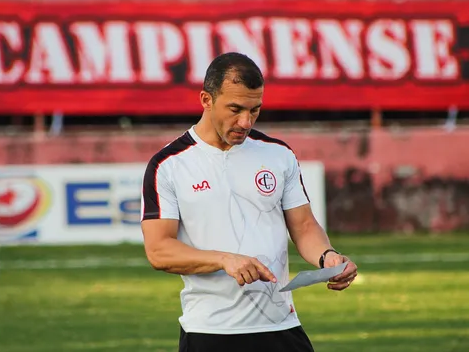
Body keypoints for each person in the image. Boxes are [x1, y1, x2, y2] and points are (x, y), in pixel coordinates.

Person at [140, 52, 358, 352]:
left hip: (281, 327)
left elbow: (305, 226)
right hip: (210, 332)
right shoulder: (168, 165)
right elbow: (159, 251)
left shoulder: (278, 155)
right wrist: (224, 259)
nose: (245, 121)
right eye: (235, 109)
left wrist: (328, 257)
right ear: (206, 99)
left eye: (255, 110)